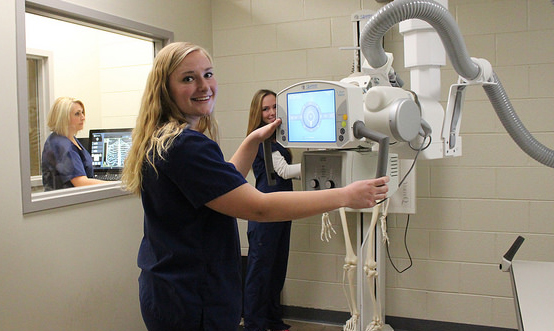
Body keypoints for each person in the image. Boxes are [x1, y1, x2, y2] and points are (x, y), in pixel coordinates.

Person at [121, 41, 389, 331]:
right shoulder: (186, 145)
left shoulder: (163, 138)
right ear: (165, 88)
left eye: (208, 74)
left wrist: (252, 141)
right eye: (188, 78)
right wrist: (345, 195)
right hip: (192, 298)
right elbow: (258, 208)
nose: (204, 85)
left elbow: (221, 189)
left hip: (168, 290)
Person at [243, 89, 300, 331]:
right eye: (266, 109)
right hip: (266, 214)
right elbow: (284, 171)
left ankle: (273, 321)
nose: (271, 112)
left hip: (282, 210)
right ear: (258, 112)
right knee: (260, 272)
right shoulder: (262, 141)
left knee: (277, 268)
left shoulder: (279, 140)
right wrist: (320, 163)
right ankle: (254, 325)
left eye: (275, 107)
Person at [41, 97, 106, 191]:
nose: (83, 117)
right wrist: (116, 184)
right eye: (77, 114)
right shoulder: (63, 145)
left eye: (82, 112)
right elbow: (81, 183)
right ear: (63, 118)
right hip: (67, 202)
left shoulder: (68, 139)